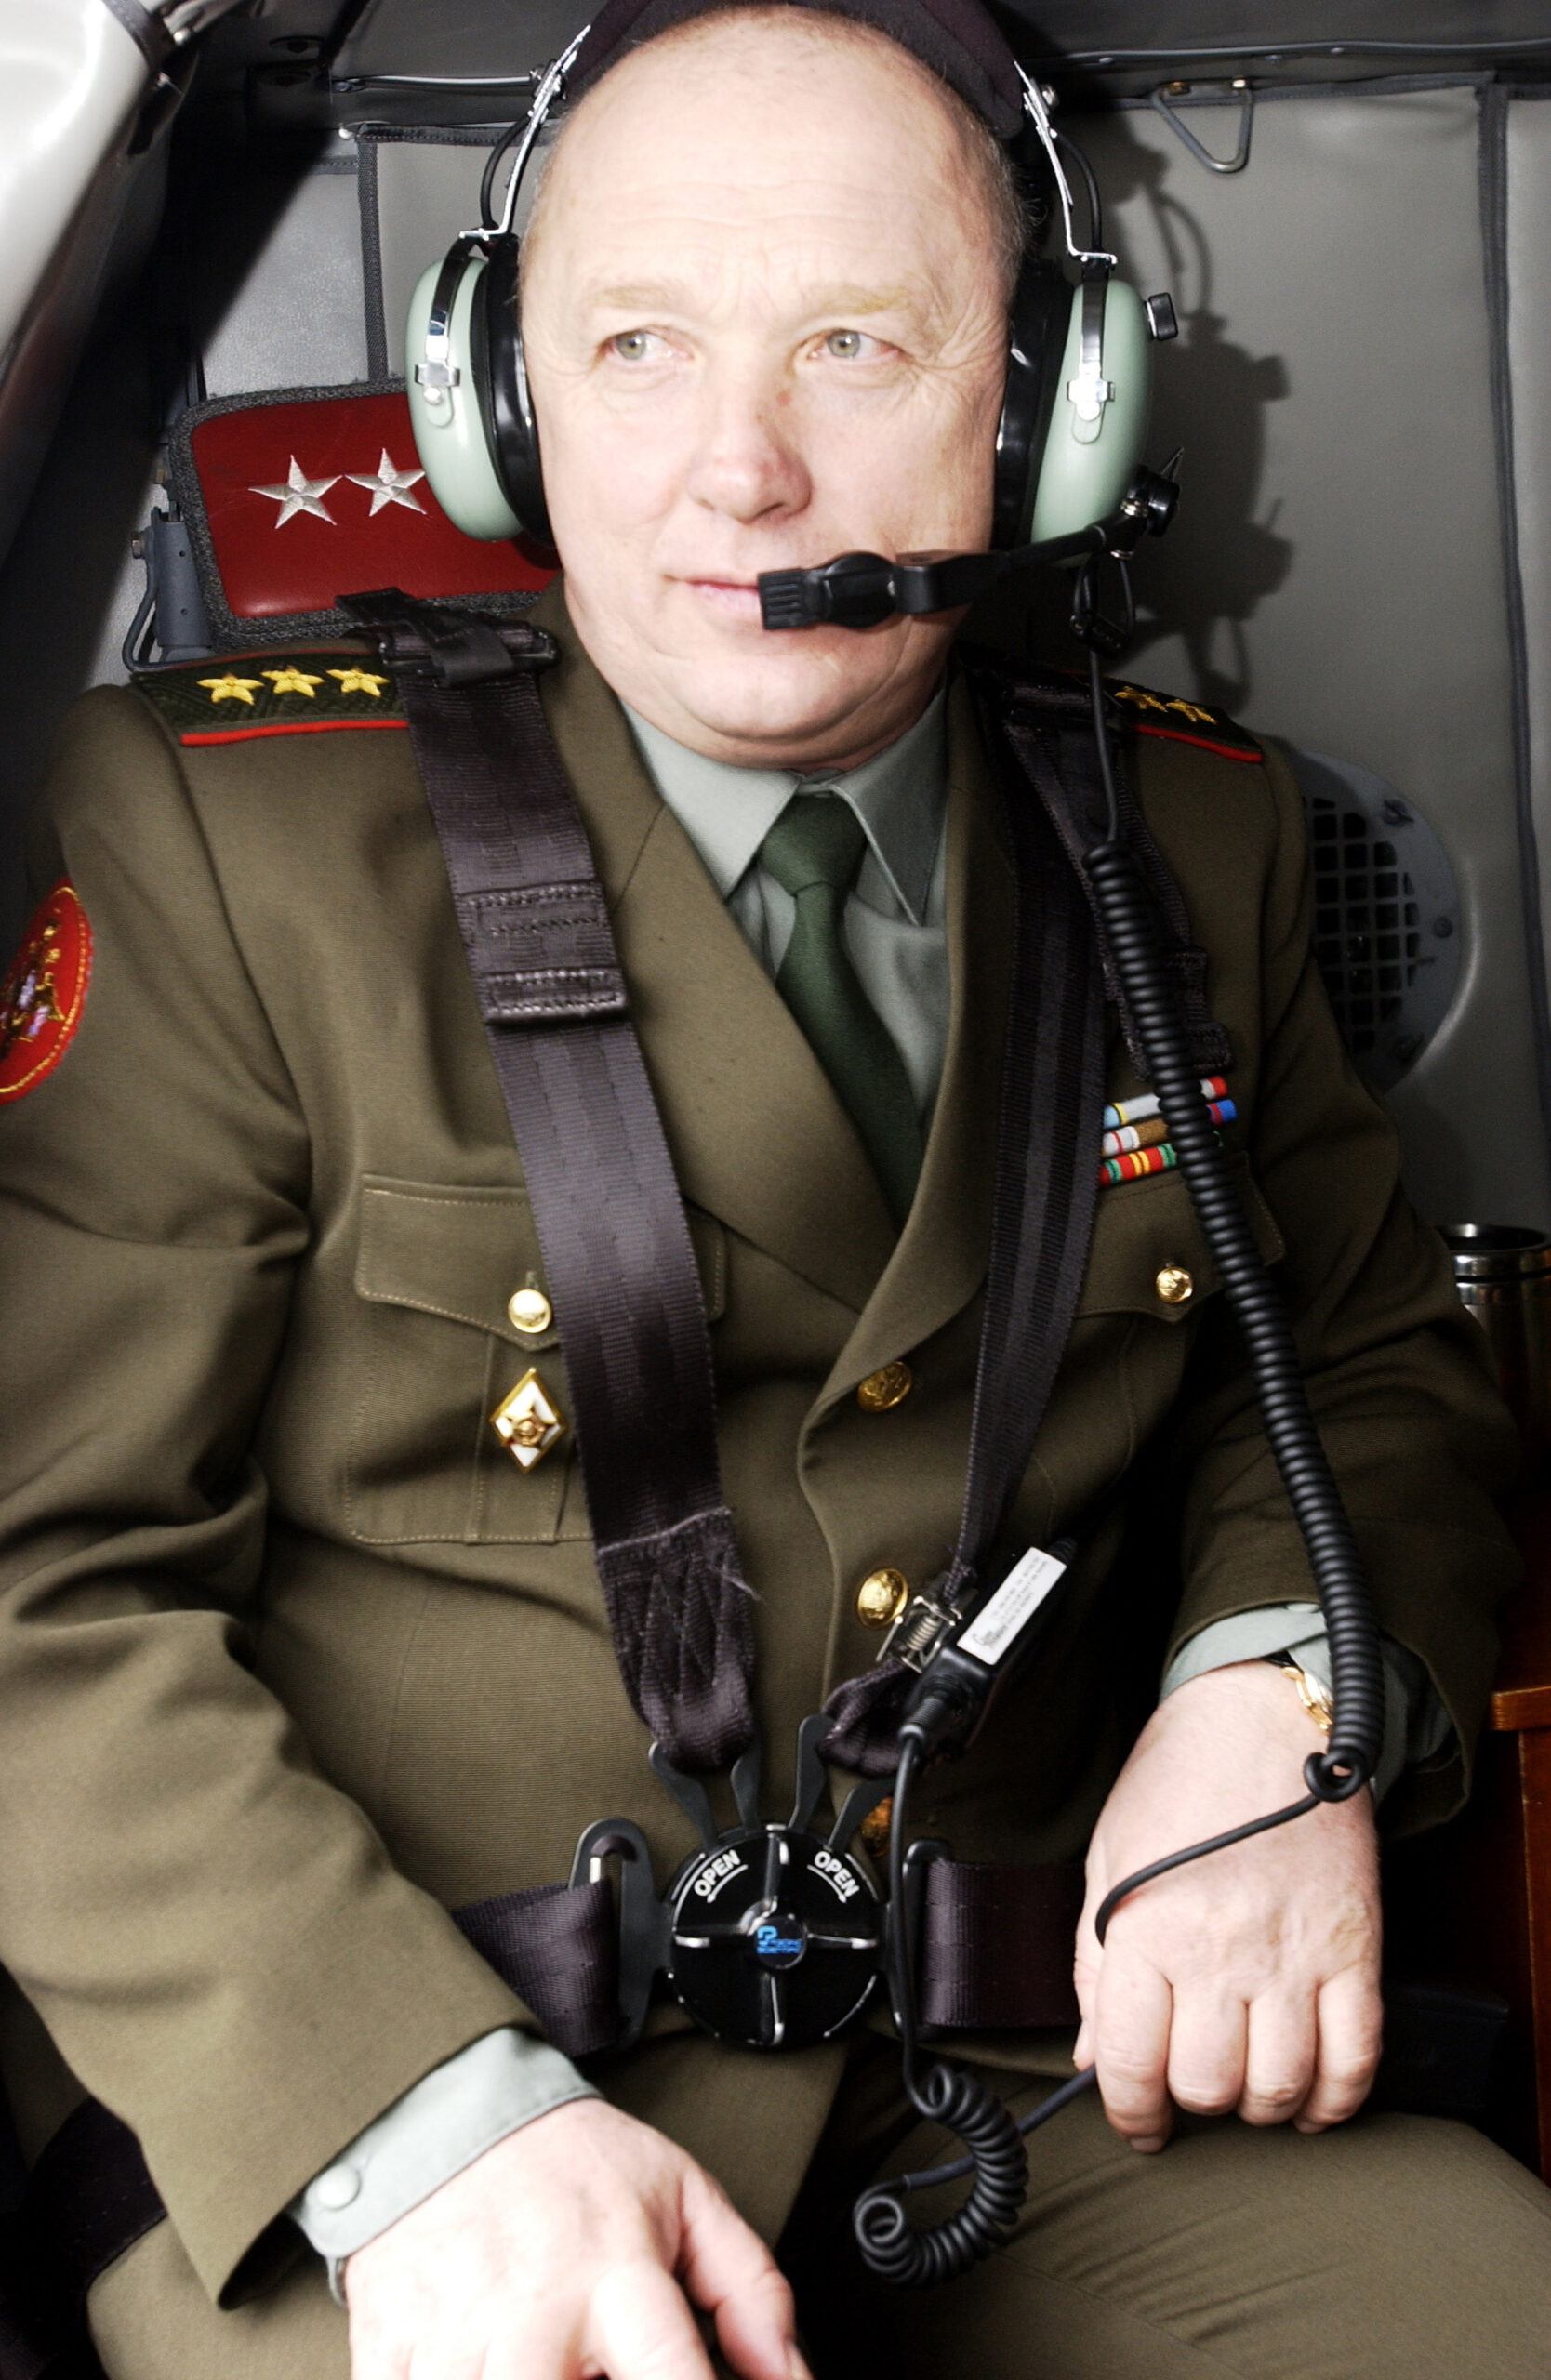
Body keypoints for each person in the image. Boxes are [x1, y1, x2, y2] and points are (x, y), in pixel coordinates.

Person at [0, 3, 1548, 2376]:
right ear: (497, 406)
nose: (739, 469)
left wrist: (1289, 1691)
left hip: (1036, 2071)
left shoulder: (1186, 840)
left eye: (855, 342)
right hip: (406, 2108)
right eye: (636, 346)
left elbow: (1356, 1372)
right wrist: (408, 2108)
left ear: (1042, 411)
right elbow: (36, 1589)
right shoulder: (222, 843)